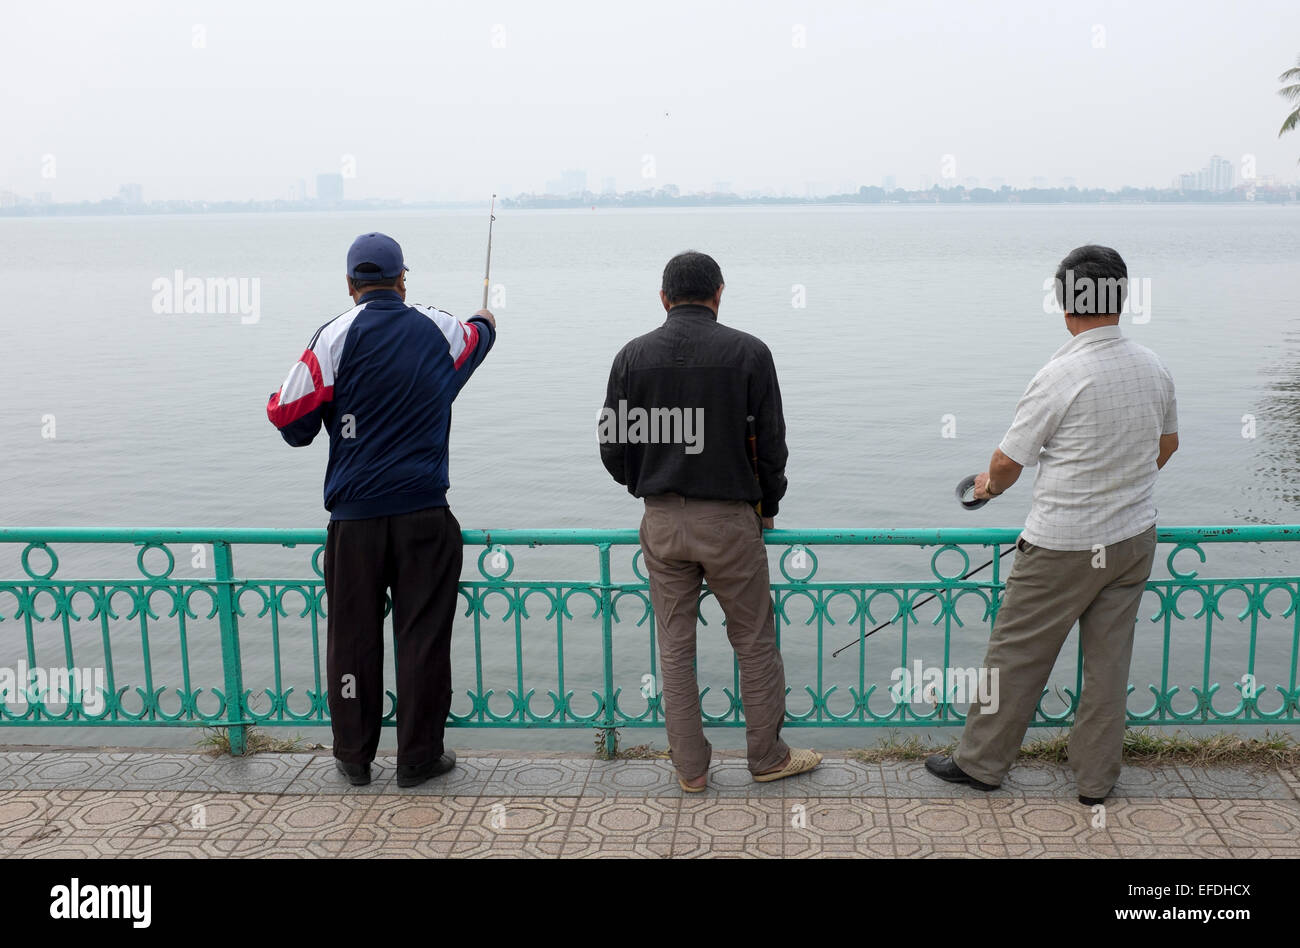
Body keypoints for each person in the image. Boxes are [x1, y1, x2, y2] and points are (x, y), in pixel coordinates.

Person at [926, 244, 1178, 805]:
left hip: (1062, 545)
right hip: (1134, 539)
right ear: (1121, 299)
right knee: (1108, 666)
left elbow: (1007, 463)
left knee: (1016, 657)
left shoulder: (1060, 374)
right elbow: (1167, 445)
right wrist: (1121, 485)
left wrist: (987, 488)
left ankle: (980, 764)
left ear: (1066, 305)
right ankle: (1095, 781)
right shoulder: (1153, 366)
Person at [267, 232, 496, 788]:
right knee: (423, 640)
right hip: (425, 516)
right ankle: (418, 758)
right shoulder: (439, 327)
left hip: (355, 522)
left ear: (350, 284)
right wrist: (486, 319)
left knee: (352, 639)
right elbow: (477, 339)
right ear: (402, 281)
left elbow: (288, 419)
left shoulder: (332, 337)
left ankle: (354, 755)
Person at [599, 250, 821, 792]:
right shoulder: (749, 353)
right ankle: (766, 756)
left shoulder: (631, 357)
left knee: (675, 648)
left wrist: (647, 484)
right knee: (753, 640)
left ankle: (691, 770)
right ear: (719, 293)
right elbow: (772, 445)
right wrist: (768, 505)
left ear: (663, 298)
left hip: (661, 521)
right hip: (729, 521)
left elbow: (611, 445)